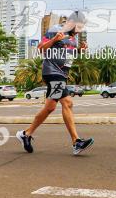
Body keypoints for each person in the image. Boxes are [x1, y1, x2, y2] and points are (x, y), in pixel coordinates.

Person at [16, 11, 93, 155]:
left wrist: (79, 51)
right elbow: (40, 48)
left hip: (61, 75)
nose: (80, 30)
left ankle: (26, 134)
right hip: (52, 72)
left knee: (50, 107)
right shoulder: (55, 30)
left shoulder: (73, 39)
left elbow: (67, 56)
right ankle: (76, 142)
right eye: (79, 26)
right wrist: (53, 40)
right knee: (68, 102)